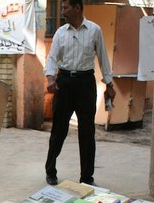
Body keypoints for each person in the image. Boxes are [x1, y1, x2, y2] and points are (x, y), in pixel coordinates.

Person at [44, 0, 115, 186]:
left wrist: (109, 84)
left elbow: (103, 58)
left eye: (65, 7)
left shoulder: (94, 30)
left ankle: (86, 178)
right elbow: (52, 58)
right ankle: (50, 171)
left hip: (85, 84)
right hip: (64, 82)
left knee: (86, 132)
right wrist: (50, 78)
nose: (62, 11)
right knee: (59, 130)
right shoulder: (60, 32)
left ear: (77, 8)